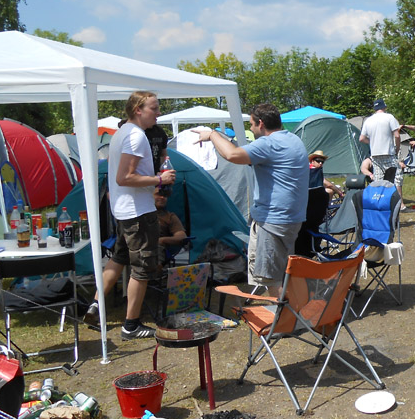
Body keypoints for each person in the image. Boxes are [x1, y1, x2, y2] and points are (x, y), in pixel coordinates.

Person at [83, 91, 176, 339]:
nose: (158, 113)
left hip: (124, 210)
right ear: (138, 110)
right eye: (154, 109)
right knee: (142, 268)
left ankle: (96, 304)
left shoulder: (122, 132)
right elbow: (124, 177)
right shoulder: (136, 136)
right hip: (138, 212)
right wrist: (160, 179)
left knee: (120, 257)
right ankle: (131, 325)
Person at [197, 103, 308, 295]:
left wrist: (212, 135)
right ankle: (294, 309)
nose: (250, 128)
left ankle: (283, 313)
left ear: (261, 123)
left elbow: (232, 155)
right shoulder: (293, 139)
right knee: (285, 271)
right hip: (291, 217)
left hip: (273, 221)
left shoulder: (269, 144)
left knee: (272, 277)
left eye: (251, 124)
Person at [359, 99, 402, 196]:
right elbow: (397, 135)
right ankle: (400, 202)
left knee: (378, 179)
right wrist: (397, 149)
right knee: (397, 178)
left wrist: (372, 142)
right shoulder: (389, 117)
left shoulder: (368, 120)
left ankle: (378, 199)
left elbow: (361, 138)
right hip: (388, 153)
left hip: (375, 154)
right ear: (384, 107)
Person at [154, 187, 187, 265]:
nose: (162, 197)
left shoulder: (170, 217)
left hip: (156, 250)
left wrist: (162, 240)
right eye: (158, 194)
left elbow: (182, 237)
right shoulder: (137, 214)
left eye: (165, 195)